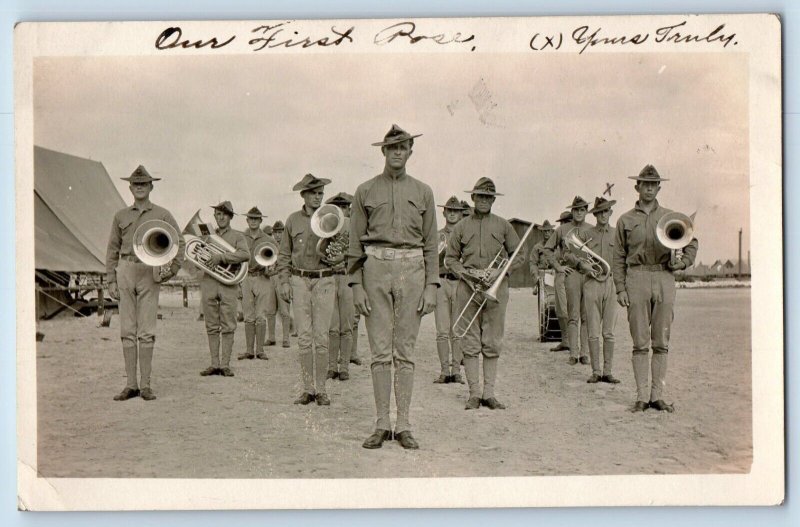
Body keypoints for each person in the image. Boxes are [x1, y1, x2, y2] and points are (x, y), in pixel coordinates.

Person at [348, 124, 438, 450]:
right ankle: (381, 422)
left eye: (403, 147)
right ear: (383, 152)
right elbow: (354, 245)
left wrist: (432, 286)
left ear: (411, 151)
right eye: (392, 147)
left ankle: (404, 424)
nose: (398, 152)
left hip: (413, 271)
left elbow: (431, 244)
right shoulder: (365, 191)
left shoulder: (424, 192)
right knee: (380, 352)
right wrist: (356, 285)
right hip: (375, 270)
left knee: (406, 352)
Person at [613, 165, 698, 412]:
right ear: (637, 187)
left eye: (654, 184)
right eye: (645, 184)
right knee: (640, 342)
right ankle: (641, 397)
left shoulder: (671, 216)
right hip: (636, 278)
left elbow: (691, 242)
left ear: (659, 187)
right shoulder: (625, 220)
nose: (649, 188)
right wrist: (620, 288)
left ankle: (656, 396)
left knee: (661, 341)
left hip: (664, 277)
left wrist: (681, 262)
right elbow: (618, 256)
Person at [105, 165, 185, 401]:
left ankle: (146, 385)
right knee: (127, 330)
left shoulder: (163, 214)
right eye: (135, 184)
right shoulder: (120, 216)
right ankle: (131, 385)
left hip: (150, 272)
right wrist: (111, 278)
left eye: (144, 184)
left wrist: (170, 272)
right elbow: (112, 249)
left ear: (151, 187)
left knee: (147, 331)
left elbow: (178, 244)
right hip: (126, 270)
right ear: (130, 187)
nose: (139, 187)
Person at [445, 178, 522, 410]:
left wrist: (499, 271)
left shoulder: (504, 226)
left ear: (493, 200)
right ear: (473, 198)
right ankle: (474, 394)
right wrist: (466, 275)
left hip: (496, 287)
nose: (484, 200)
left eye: (489, 197)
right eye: (480, 196)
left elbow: (518, 256)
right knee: (469, 340)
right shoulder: (460, 227)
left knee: (492, 340)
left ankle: (489, 394)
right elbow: (450, 259)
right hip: (468, 286)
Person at [277, 174, 337, 406]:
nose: (317, 197)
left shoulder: (332, 219)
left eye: (320, 193)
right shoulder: (292, 220)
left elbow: (340, 250)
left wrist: (337, 256)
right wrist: (283, 281)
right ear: (303, 195)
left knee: (321, 338)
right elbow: (284, 254)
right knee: (304, 338)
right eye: (312, 193)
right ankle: (307, 389)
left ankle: (321, 389)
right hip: (299, 281)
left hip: (325, 280)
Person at [198, 201, 250, 377]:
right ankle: (214, 364)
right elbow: (197, 254)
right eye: (218, 215)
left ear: (230, 217)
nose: (220, 218)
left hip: (229, 283)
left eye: (224, 215)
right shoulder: (207, 234)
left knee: (228, 324)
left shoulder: (237, 236)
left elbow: (245, 254)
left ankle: (225, 364)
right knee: (211, 325)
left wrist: (222, 258)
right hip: (209, 282)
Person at [545, 197, 592, 365]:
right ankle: (573, 353)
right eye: (576, 210)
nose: (579, 213)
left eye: (582, 209)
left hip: (588, 276)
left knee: (586, 316)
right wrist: (558, 267)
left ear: (586, 211)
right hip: (571, 274)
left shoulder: (592, 229)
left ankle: (584, 353)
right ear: (572, 212)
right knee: (573, 315)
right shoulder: (562, 229)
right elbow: (547, 249)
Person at [580, 197, 620, 384]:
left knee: (609, 332)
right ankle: (596, 371)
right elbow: (569, 254)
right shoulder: (585, 234)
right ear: (595, 214)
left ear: (611, 213)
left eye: (606, 211)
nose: (603, 215)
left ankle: (608, 371)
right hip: (592, 283)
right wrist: (582, 265)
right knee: (593, 331)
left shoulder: (617, 234)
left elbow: (623, 259)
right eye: (600, 212)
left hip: (611, 284)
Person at [433, 196, 468, 384]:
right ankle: (444, 371)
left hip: (460, 283)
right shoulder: (437, 235)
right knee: (441, 330)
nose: (453, 213)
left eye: (456, 210)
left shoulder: (466, 236)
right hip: (442, 281)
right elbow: (430, 260)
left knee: (458, 329)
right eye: (450, 210)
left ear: (462, 214)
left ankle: (456, 371)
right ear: (444, 212)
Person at [324, 192, 357, 381]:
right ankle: (331, 366)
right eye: (338, 207)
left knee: (347, 325)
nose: (342, 211)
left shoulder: (356, 227)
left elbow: (361, 253)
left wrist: (343, 257)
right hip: (330, 277)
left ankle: (344, 366)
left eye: (345, 207)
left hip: (347, 277)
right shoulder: (327, 225)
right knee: (332, 326)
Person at [238, 206, 272, 361]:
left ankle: (260, 350)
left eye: (256, 219)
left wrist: (270, 267)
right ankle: (249, 350)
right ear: (247, 220)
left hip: (262, 278)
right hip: (245, 277)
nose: (253, 221)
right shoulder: (240, 237)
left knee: (261, 315)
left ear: (260, 220)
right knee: (248, 316)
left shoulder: (268, 239)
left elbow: (274, 258)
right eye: (250, 218)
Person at [548, 211, 572, 352]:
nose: (564, 225)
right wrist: (558, 267)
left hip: (576, 274)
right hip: (561, 275)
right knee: (560, 310)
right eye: (563, 222)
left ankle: (574, 341)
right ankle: (565, 341)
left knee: (574, 311)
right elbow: (548, 252)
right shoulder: (559, 235)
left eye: (566, 221)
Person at [268, 220, 292, 348]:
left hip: (282, 279)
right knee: (270, 310)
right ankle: (271, 337)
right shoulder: (270, 245)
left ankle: (286, 338)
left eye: (280, 232)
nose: (277, 235)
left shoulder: (288, 246)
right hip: (270, 278)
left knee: (284, 310)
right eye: (275, 233)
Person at [528, 219, 555, 296]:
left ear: (551, 231)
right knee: (545, 302)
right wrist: (535, 275)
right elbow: (533, 263)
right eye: (545, 231)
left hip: (555, 275)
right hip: (543, 275)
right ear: (542, 232)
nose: (547, 233)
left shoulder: (557, 246)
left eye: (548, 231)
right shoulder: (537, 247)